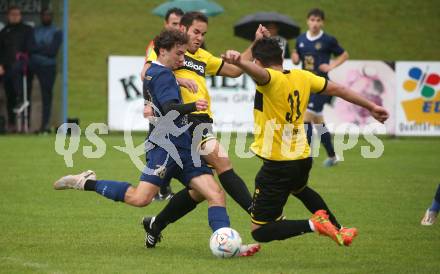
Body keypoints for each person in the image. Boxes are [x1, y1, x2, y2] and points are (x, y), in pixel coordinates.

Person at [53, 30, 260, 256]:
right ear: (163, 51)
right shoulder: (163, 76)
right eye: (178, 54)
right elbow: (171, 108)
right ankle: (87, 182)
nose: (182, 59)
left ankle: (227, 245)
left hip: (184, 146)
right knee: (140, 198)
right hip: (165, 148)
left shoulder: (155, 72)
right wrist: (194, 106)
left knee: (214, 194)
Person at [221, 37, 388, 246]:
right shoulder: (302, 76)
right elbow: (339, 90)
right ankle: (340, 229)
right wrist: (371, 107)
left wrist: (239, 62)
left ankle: (315, 224)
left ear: (257, 62)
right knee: (300, 189)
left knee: (260, 231)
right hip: (302, 157)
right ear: (281, 57)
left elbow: (261, 74)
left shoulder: (269, 78)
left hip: (279, 165)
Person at [140, 12, 268, 247]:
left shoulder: (202, 57)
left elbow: (235, 70)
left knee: (200, 192)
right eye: (195, 32)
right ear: (183, 31)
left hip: (202, 122)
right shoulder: (172, 52)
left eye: (203, 34)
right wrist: (179, 81)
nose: (199, 38)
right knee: (222, 160)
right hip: (186, 121)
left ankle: (155, 224)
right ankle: (258, 213)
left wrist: (256, 43)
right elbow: (147, 71)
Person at [292, 8, 349, 167]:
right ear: (307, 21)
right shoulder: (301, 39)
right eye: (312, 20)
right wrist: (295, 57)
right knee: (318, 123)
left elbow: (344, 54)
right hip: (306, 85)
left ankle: (305, 156)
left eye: (318, 20)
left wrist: (332, 65)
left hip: (323, 86)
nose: (315, 23)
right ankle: (332, 156)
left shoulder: (328, 40)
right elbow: (297, 59)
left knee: (305, 117)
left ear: (322, 22)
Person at [142, 7, 185, 201]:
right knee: (159, 138)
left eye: (180, 24)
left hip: (176, 107)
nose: (178, 27)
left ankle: (160, 188)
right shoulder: (158, 46)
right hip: (167, 101)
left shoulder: (185, 45)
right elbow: (147, 73)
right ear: (166, 24)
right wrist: (148, 101)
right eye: (174, 24)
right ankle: (155, 187)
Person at [0, 5, 35, 133]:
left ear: (20, 16)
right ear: (8, 16)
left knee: (26, 96)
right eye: (12, 14)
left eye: (17, 14)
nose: (15, 16)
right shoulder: (4, 32)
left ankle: (27, 124)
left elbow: (31, 47)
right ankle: (12, 124)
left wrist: (23, 57)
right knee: (10, 97)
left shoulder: (27, 30)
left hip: (24, 67)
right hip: (7, 69)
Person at [30, 8, 62, 134]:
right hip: (33, 65)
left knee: (46, 95)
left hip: (48, 67)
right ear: (41, 16)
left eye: (49, 15)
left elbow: (52, 51)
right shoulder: (35, 31)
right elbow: (30, 48)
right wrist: (43, 48)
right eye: (44, 15)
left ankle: (45, 125)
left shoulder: (57, 32)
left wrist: (39, 49)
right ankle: (27, 125)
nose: (46, 17)